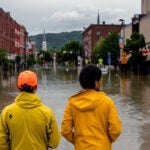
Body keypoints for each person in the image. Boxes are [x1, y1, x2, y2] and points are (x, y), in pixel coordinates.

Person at [61, 64, 122, 150]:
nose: (100, 83)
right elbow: (116, 129)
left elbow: (65, 131)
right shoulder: (107, 102)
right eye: (99, 80)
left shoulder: (71, 103)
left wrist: (78, 141)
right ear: (96, 82)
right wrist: (106, 141)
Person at [0, 70, 60, 150]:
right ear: (36, 87)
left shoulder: (6, 112)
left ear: (18, 87)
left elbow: (2, 143)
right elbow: (54, 143)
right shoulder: (47, 113)